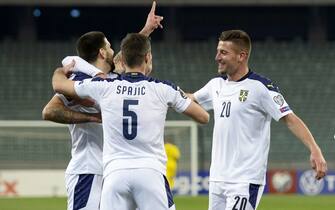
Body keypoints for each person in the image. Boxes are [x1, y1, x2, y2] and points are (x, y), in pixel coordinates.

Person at [51, 33, 209, 210]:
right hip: (150, 173)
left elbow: (59, 85)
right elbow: (203, 117)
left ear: (122, 59)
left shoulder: (103, 86)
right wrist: (173, 100)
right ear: (148, 57)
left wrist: (60, 71)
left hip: (114, 175)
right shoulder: (163, 88)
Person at [42, 2, 164, 210]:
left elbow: (126, 56)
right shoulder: (79, 81)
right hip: (88, 169)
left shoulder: (111, 78)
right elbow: (50, 111)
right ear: (101, 52)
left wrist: (146, 30)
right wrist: (93, 118)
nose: (112, 49)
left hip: (113, 170)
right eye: (108, 46)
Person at [188, 29, 327, 210]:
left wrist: (314, 149)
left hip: (245, 180)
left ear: (241, 56)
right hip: (217, 179)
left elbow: (290, 119)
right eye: (217, 51)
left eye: (223, 52)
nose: (217, 57)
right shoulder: (216, 84)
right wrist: (162, 93)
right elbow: (189, 99)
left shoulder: (261, 87)